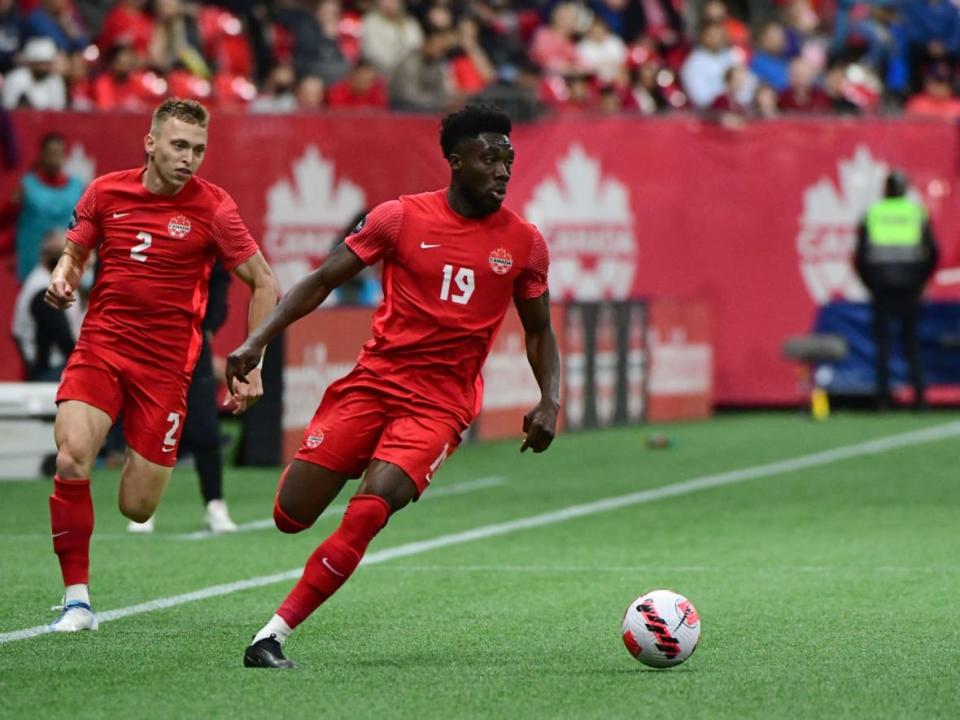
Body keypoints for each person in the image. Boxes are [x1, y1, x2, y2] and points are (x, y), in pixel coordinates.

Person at [227, 104, 560, 669]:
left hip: (439, 406)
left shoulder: (524, 244)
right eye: (489, 158)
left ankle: (272, 635)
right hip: (373, 386)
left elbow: (539, 332)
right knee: (291, 514)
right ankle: (357, 455)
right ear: (456, 162)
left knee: (369, 511)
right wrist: (257, 339)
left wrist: (550, 398)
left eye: (509, 159)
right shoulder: (399, 218)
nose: (503, 170)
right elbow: (323, 279)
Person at [42, 98, 278, 632]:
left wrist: (252, 360)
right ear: (151, 143)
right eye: (178, 145)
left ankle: (137, 455)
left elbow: (264, 282)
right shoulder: (105, 191)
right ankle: (77, 600)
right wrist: (63, 276)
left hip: (167, 369)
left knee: (138, 508)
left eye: (198, 149)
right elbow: (74, 253)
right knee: (72, 457)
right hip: (102, 346)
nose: (189, 158)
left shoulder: (214, 208)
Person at [125, 262, 239, 534]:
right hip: (148, 339)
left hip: (193, 339)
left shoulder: (205, 229)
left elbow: (220, 281)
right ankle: (143, 506)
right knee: (148, 423)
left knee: (204, 427)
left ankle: (215, 504)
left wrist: (209, 324)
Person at [854, 169, 938, 410]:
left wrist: (870, 282)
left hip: (881, 287)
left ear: (886, 189)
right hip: (911, 285)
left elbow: (859, 255)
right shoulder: (915, 212)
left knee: (883, 344)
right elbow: (932, 251)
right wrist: (922, 279)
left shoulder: (873, 213)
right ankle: (920, 399)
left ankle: (883, 400)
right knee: (911, 343)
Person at [0, 131, 85, 281]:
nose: (55, 158)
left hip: (66, 270)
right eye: (51, 153)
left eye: (59, 153)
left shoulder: (77, 188)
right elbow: (6, 222)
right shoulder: (27, 187)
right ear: (41, 155)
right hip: (32, 269)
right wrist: (12, 205)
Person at [12, 229, 80, 381]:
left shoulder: (45, 280)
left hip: (49, 367)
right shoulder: (44, 288)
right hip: (51, 369)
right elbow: (63, 339)